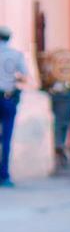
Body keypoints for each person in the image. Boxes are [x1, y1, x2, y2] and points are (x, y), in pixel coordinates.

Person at [41, 49, 70, 166]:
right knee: (58, 125)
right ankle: (58, 147)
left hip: (66, 100)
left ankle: (60, 147)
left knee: (64, 125)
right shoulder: (51, 74)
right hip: (57, 100)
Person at [0, 26, 30, 187]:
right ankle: (4, 175)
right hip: (7, 98)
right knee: (6, 138)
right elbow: (25, 77)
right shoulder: (15, 55)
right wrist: (12, 79)